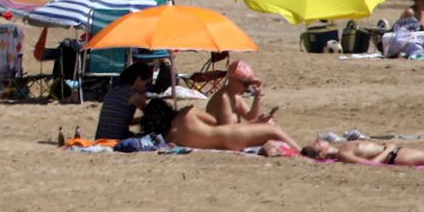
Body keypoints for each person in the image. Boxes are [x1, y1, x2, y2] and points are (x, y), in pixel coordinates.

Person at [138, 97, 301, 152]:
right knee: (274, 131)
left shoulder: (169, 137)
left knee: (265, 133)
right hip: (229, 135)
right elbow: (218, 124)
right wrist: (253, 122)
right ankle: (303, 154)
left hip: (221, 145)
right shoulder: (188, 111)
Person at [301, 137, 424, 173]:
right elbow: (370, 165)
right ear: (321, 154)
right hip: (396, 156)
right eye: (317, 144)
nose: (319, 140)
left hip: (397, 152)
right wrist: (388, 150)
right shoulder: (343, 155)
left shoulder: (342, 148)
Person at [94, 61, 151, 142]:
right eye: (146, 83)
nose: (145, 87)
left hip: (99, 139)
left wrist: (137, 120)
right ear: (138, 79)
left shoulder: (113, 91)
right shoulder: (133, 96)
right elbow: (152, 115)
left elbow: (118, 118)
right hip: (115, 140)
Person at [205, 60, 275, 125]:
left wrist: (258, 95)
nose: (247, 88)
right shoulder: (223, 98)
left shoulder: (236, 96)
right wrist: (257, 121)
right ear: (232, 81)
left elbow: (250, 117)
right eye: (245, 84)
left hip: (232, 135)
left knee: (269, 123)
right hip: (220, 136)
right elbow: (229, 131)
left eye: (250, 84)